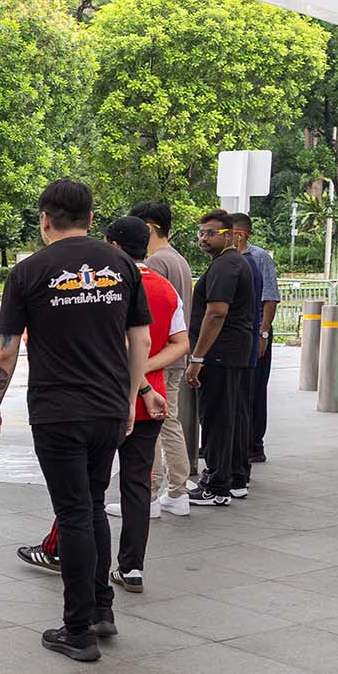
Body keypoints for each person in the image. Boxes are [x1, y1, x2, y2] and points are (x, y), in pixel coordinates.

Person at [0, 179, 151, 662]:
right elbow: (138, 339)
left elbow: (7, 349)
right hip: (108, 409)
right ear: (92, 219)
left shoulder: (28, 271)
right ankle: (101, 608)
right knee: (92, 506)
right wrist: (129, 400)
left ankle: (77, 630)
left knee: (75, 512)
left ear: (45, 219)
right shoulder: (121, 266)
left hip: (57, 412)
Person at [100, 216, 187, 593]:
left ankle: (85, 561)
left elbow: (116, 345)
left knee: (91, 486)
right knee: (137, 485)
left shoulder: (108, 287)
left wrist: (135, 380)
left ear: (113, 245)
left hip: (107, 399)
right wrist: (148, 373)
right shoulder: (166, 289)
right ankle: (132, 567)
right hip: (151, 402)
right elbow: (181, 342)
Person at [185, 210, 258, 507]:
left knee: (216, 419)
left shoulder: (226, 265)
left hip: (219, 354)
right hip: (233, 352)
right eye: (201, 233)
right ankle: (235, 478)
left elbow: (216, 313)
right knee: (233, 416)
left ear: (230, 234)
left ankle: (216, 485)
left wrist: (198, 357)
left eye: (210, 233)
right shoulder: (232, 262)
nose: (204, 238)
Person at [136, 200, 194, 514]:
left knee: (157, 423)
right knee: (170, 421)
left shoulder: (156, 263)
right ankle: (177, 491)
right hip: (174, 355)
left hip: (157, 359)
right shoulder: (179, 260)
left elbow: (150, 321)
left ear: (148, 228)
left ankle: (154, 492)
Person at [229, 213, 280, 467]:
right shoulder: (227, 258)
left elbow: (270, 298)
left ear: (241, 233)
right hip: (237, 335)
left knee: (255, 390)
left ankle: (254, 444)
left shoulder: (259, 257)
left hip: (256, 333)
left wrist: (263, 333)